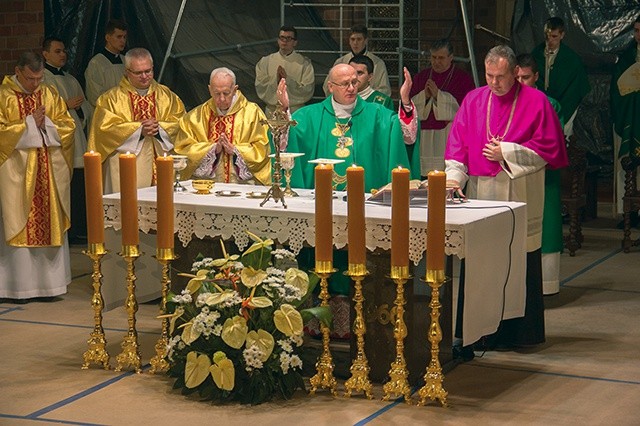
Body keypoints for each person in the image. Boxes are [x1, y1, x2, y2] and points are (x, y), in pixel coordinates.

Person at [443, 45, 568, 353]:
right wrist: (454, 179)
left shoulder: (537, 102)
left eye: (501, 76)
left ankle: (520, 335)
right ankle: (480, 333)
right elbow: (458, 144)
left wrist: (507, 152)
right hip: (483, 192)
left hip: (521, 190)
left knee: (520, 261)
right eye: (489, 75)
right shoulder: (474, 100)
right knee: (483, 262)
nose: (494, 82)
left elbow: (550, 148)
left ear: (515, 73)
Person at [0, 52, 75, 302]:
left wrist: (47, 126)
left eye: (39, 78)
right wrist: (29, 124)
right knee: (16, 217)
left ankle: (50, 286)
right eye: (31, 78)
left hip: (47, 171)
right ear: (18, 71)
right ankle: (17, 287)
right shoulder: (4, 96)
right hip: (17, 174)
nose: (35, 84)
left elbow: (67, 125)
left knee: (49, 218)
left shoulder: (49, 93)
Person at [279, 63, 420, 192]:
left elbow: (406, 136)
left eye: (354, 82)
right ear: (330, 87)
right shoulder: (309, 116)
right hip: (320, 198)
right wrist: (284, 110)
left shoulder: (377, 114)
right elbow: (284, 141)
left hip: (367, 199)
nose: (351, 88)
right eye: (345, 84)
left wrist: (406, 101)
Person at [88, 47, 185, 194]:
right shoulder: (110, 99)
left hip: (162, 165)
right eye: (138, 73)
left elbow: (182, 123)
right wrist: (138, 130)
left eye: (148, 71)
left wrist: (159, 129)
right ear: (126, 72)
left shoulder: (167, 96)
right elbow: (103, 131)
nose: (145, 76)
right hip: (126, 169)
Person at [517, 53, 566, 296]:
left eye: (526, 77)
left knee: (545, 227)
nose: (521, 82)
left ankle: (546, 285)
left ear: (536, 76)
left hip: (542, 174)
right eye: (517, 77)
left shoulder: (550, 104)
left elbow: (552, 143)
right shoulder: (509, 102)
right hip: (513, 174)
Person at [175, 67, 271, 185]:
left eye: (226, 93)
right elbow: (183, 150)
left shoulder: (253, 113)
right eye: (217, 93)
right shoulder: (195, 117)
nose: (221, 98)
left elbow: (263, 150)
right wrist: (213, 149)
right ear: (210, 90)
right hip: (207, 188)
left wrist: (236, 151)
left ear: (235, 89)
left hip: (243, 186)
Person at [42, 37, 93, 244]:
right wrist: (65, 105)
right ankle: (67, 229)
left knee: (79, 185)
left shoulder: (71, 79)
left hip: (77, 139)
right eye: (57, 51)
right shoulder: (43, 79)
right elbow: (43, 111)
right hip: (59, 143)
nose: (63, 54)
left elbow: (87, 107)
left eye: (64, 51)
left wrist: (80, 109)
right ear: (45, 54)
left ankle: (80, 227)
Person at [409, 39, 475, 175]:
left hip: (447, 135)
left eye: (441, 58)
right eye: (433, 57)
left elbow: (466, 109)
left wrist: (439, 95)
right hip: (424, 137)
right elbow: (410, 106)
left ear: (451, 58)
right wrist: (425, 96)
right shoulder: (421, 77)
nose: (436, 62)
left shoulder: (462, 79)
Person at [531, 16, 590, 138]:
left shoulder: (571, 58)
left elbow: (578, 85)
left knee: (560, 137)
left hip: (565, 103)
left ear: (562, 35)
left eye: (554, 37)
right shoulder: (536, 54)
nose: (550, 41)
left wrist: (564, 103)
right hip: (541, 103)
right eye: (547, 36)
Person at [610, 15, 640, 221]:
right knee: (625, 164)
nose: (639, 35)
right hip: (627, 119)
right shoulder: (626, 58)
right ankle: (626, 212)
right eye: (636, 31)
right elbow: (616, 90)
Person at [255, 25, 315, 116]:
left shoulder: (304, 64)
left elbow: (307, 88)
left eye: (289, 38)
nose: (284, 41)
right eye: (282, 38)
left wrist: (288, 80)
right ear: (278, 40)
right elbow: (260, 85)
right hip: (273, 111)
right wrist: (276, 79)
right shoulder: (265, 61)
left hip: (296, 111)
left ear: (295, 42)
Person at [323, 25, 391, 96]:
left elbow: (384, 90)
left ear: (365, 41)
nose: (355, 43)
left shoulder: (377, 63)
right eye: (352, 39)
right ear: (349, 41)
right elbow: (328, 87)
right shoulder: (341, 62)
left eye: (359, 39)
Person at [85, 19, 128, 107]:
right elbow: (95, 96)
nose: (123, 41)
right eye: (119, 37)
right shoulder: (96, 63)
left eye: (124, 37)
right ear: (108, 38)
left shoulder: (126, 61)